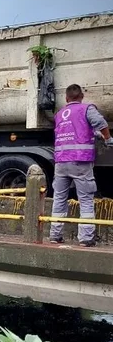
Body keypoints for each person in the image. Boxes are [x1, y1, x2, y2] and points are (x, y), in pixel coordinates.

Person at [50, 84, 112, 247]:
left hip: (61, 161)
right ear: (81, 97)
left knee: (59, 198)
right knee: (85, 199)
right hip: (80, 161)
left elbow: (73, 131)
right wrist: (107, 139)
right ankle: (85, 238)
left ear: (66, 98)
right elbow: (101, 123)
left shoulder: (60, 114)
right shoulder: (87, 109)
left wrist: (94, 134)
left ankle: (55, 235)